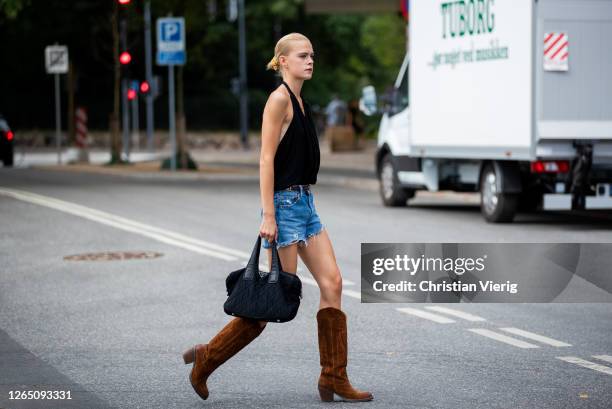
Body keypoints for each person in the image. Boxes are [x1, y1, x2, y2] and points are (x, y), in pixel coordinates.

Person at [181, 32, 374, 403]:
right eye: (302, 55)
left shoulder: (301, 100)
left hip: (305, 205)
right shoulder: (279, 101)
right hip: (283, 208)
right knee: (272, 300)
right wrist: (268, 215)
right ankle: (207, 358)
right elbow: (266, 158)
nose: (310, 60)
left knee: (332, 283)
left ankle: (333, 376)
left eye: (312, 55)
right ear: (283, 61)